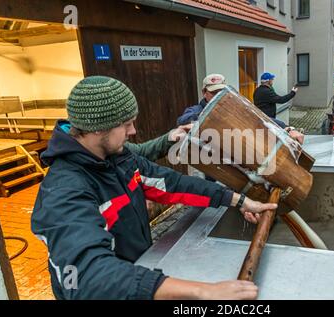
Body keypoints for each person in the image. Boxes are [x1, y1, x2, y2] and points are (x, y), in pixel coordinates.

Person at [31, 76, 278, 300]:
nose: (133, 131)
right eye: (126, 124)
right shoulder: (63, 191)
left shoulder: (119, 159)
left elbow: (172, 184)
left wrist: (239, 200)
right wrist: (204, 291)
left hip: (140, 274)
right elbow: (88, 276)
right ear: (98, 127)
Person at [178, 73, 304, 144]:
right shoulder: (196, 110)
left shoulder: (233, 109)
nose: (218, 96)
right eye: (213, 92)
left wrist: (287, 128)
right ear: (204, 92)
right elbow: (183, 120)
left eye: (221, 92)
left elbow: (261, 118)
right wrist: (210, 113)